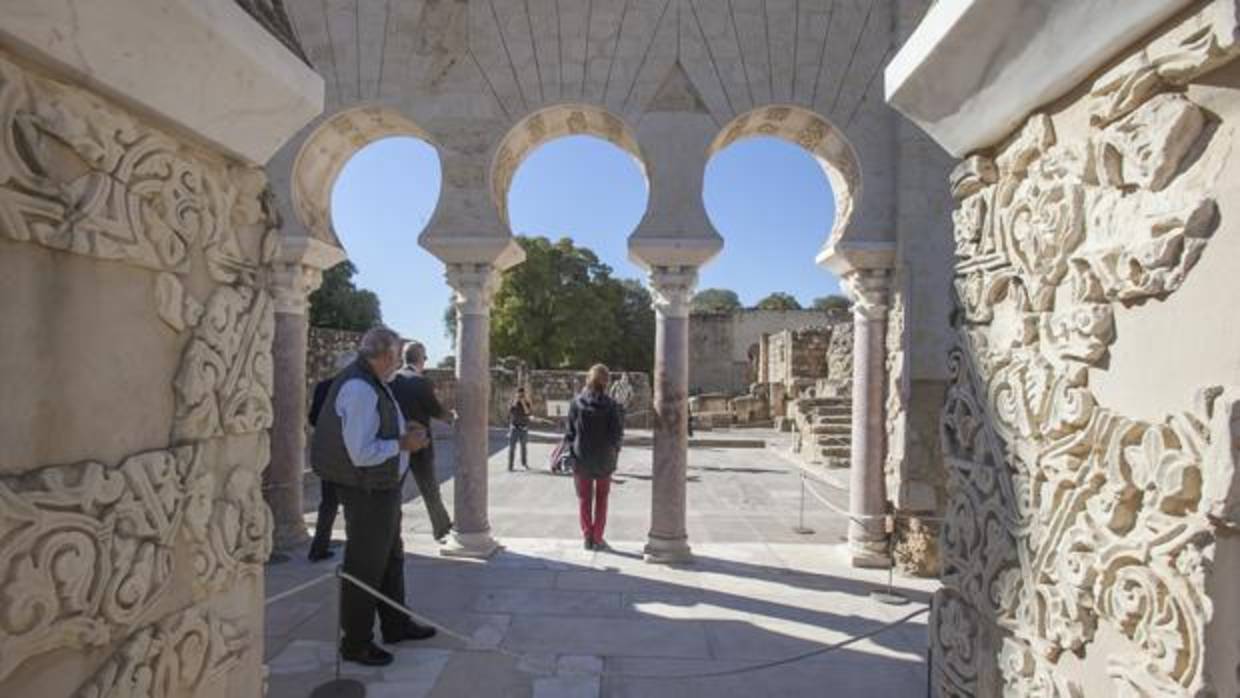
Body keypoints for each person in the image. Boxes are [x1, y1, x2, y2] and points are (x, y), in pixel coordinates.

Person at [309, 327, 436, 667]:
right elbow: (361, 452)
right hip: (366, 491)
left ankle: (395, 623)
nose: (397, 362)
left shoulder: (373, 382)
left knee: (391, 559)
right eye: (395, 356)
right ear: (386, 356)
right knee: (364, 566)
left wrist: (402, 430)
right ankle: (356, 642)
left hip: (381, 489)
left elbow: (374, 429)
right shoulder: (358, 388)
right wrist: (402, 444)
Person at [389, 340, 453, 543]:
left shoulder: (391, 380)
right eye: (425, 358)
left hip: (396, 442)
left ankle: (390, 532)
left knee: (393, 490)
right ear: (421, 359)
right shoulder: (420, 381)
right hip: (420, 443)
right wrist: (450, 416)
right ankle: (442, 529)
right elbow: (435, 410)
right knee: (429, 489)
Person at [565, 364, 624, 551]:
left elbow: (570, 433)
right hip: (605, 459)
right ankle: (598, 537)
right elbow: (617, 434)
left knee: (584, 499)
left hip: (581, 458)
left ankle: (587, 536)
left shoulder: (576, 403)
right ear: (606, 382)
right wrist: (615, 452)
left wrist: (572, 451)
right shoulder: (612, 405)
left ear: (588, 380)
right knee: (601, 499)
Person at [307, 351, 355, 562]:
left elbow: (313, 418)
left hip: (328, 453)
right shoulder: (355, 389)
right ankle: (356, 549)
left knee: (328, 503)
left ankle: (319, 547)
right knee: (355, 504)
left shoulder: (323, 386)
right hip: (350, 453)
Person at [507, 387, 532, 471]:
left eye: (522, 394)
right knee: (512, 448)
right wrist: (515, 401)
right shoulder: (513, 402)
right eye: (519, 394)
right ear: (516, 394)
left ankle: (524, 464)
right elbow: (511, 411)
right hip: (514, 428)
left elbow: (528, 412)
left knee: (524, 448)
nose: (521, 396)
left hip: (523, 429)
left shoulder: (527, 403)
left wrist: (523, 402)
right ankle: (510, 466)